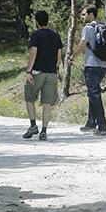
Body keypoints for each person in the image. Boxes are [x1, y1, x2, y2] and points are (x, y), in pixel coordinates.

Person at [66, 4, 106, 136]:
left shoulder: (88, 28)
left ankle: (102, 126)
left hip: (92, 65)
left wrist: (72, 57)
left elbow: (82, 44)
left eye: (84, 14)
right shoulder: (103, 26)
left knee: (94, 94)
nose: (82, 17)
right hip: (104, 65)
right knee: (93, 93)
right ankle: (91, 122)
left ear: (91, 14)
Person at [22, 10, 63, 141]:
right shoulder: (55, 35)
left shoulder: (36, 35)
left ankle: (33, 125)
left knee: (29, 98)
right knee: (47, 103)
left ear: (37, 22)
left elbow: (33, 53)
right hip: (51, 73)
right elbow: (59, 56)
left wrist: (29, 70)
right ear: (47, 20)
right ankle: (44, 131)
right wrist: (54, 67)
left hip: (37, 72)